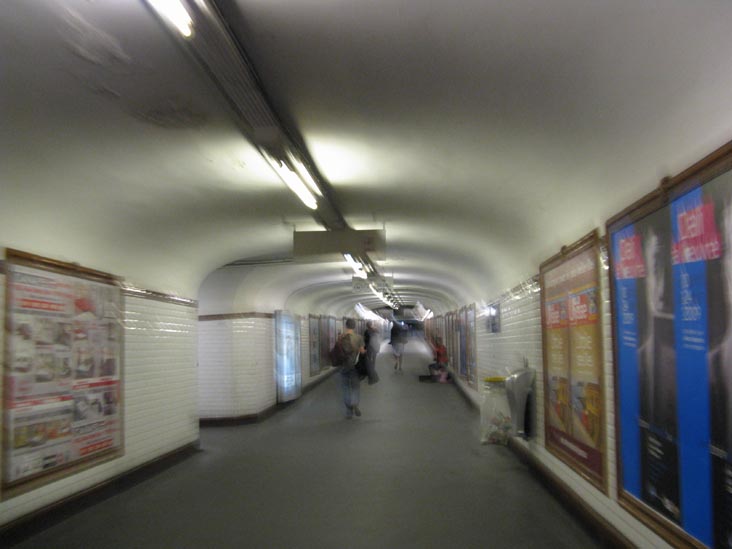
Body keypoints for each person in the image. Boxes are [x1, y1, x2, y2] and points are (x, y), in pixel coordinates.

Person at [339, 318, 365, 419]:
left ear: (346, 326)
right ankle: (355, 404)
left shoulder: (341, 337)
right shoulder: (359, 337)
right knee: (355, 387)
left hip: (344, 366)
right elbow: (362, 352)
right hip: (355, 366)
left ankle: (349, 411)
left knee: (346, 388)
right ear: (354, 326)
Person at [364, 321, 381, 385]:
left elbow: (365, 339)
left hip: (369, 348)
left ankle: (371, 373)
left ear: (367, 325)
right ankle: (372, 369)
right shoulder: (375, 330)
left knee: (369, 360)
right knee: (373, 360)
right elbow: (378, 335)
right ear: (371, 325)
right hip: (375, 347)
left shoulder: (366, 331)